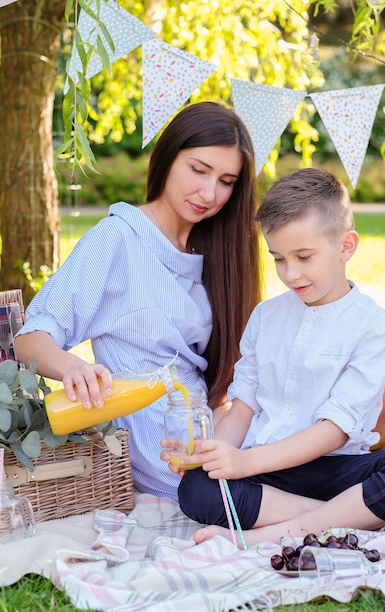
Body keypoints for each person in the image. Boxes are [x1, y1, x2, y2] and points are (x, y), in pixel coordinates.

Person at [14, 100, 262, 502]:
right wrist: (75, 369)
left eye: (227, 181)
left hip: (214, 432)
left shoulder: (217, 252)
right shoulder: (116, 240)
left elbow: (220, 382)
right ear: (167, 157)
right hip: (161, 449)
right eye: (198, 170)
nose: (209, 192)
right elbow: (29, 339)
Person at [174, 168, 385, 546]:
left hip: (336, 468)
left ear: (346, 246)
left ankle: (264, 536)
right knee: (197, 489)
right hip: (271, 469)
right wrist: (213, 455)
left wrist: (244, 464)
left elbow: (334, 430)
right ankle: (345, 518)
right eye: (279, 258)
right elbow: (242, 409)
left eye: (304, 257)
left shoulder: (375, 327)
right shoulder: (265, 317)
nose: (291, 273)